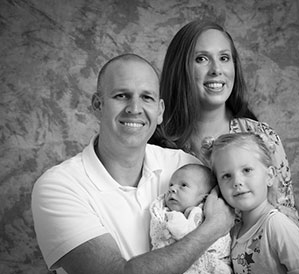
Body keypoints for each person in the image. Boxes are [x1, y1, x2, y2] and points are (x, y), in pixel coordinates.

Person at [31, 53, 235, 274]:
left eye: (147, 97)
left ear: (160, 111)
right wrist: (211, 228)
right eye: (121, 95)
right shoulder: (59, 187)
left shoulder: (186, 167)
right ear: (98, 105)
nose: (134, 108)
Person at [150, 19, 299, 230]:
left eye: (224, 58)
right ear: (179, 68)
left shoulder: (261, 138)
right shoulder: (157, 143)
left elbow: (287, 217)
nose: (216, 69)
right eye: (201, 58)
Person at [208, 132, 299, 273]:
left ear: (269, 176)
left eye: (247, 170)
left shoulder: (277, 225)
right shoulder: (233, 232)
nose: (237, 182)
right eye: (226, 176)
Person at [150, 163, 232, 274]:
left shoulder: (209, 214)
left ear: (204, 197)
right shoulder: (163, 213)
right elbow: (158, 238)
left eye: (183, 185)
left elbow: (220, 243)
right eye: (171, 185)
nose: (172, 189)